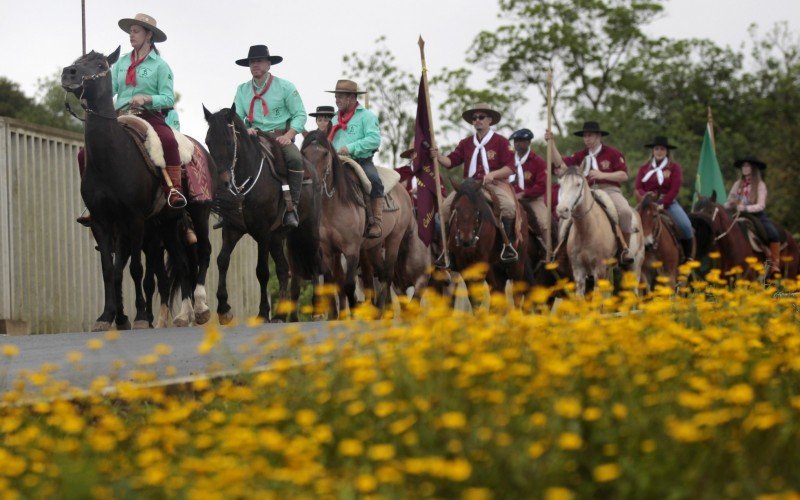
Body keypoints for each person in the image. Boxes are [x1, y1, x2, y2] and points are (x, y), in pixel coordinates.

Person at [77, 12, 183, 225]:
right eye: (130, 32)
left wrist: (147, 98)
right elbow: (111, 90)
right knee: (83, 154)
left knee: (169, 140)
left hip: (150, 116)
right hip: (121, 116)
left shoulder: (161, 66)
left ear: (148, 35)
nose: (131, 36)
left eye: (136, 31)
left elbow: (168, 97)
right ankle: (93, 201)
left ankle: (173, 190)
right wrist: (90, 93)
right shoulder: (121, 63)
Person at [431, 102, 519, 264]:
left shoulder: (501, 141)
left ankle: (507, 245)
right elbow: (451, 162)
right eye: (474, 118)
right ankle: (447, 250)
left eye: (481, 117)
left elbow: (510, 168)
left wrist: (493, 174)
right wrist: (438, 155)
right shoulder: (465, 143)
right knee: (444, 209)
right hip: (469, 186)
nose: (477, 120)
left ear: (489, 120)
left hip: (494, 183)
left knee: (509, 207)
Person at [233, 44, 307, 227]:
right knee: (230, 157)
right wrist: (244, 128)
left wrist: (289, 135)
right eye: (251, 62)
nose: (255, 65)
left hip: (279, 137)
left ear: (268, 64)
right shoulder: (242, 89)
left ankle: (292, 208)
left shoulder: (285, 87)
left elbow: (300, 114)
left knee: (295, 159)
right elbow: (237, 115)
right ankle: (231, 207)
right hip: (253, 137)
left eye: (259, 61)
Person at [546, 121, 634, 264]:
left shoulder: (613, 153)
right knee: (565, 214)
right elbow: (560, 164)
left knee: (625, 211)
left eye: (590, 136)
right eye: (585, 136)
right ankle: (561, 249)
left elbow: (623, 175)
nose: (587, 139)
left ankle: (624, 249)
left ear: (599, 136)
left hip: (609, 189)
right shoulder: (579, 155)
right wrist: (552, 144)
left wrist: (602, 175)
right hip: (585, 192)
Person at [326, 79, 384, 238]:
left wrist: (350, 148)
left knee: (374, 180)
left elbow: (374, 140)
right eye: (336, 97)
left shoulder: (367, 116)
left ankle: (376, 222)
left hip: (360, 161)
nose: (337, 100)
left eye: (340, 97)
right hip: (337, 162)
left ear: (352, 97)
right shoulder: (334, 119)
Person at [634, 136, 694, 261]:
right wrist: (646, 197)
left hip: (667, 203)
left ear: (667, 151)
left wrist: (663, 203)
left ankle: (688, 257)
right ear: (653, 151)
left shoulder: (674, 168)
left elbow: (675, 189)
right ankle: (630, 255)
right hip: (647, 204)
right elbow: (638, 187)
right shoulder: (644, 168)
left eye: (662, 149)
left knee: (686, 225)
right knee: (630, 223)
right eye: (656, 149)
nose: (659, 152)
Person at [723, 156, 781, 274]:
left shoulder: (760, 185)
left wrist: (745, 208)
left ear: (753, 168)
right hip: (738, 215)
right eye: (743, 166)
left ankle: (775, 263)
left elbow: (761, 205)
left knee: (773, 234)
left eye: (747, 166)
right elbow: (729, 201)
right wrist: (727, 205)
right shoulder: (737, 184)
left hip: (756, 215)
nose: (744, 168)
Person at [509, 128, 549, 236]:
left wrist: (524, 194)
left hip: (533, 200)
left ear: (529, 142)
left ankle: (548, 250)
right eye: (515, 141)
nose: (517, 143)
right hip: (510, 199)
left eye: (521, 141)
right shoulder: (508, 160)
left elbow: (542, 185)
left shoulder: (538, 161)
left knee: (545, 224)